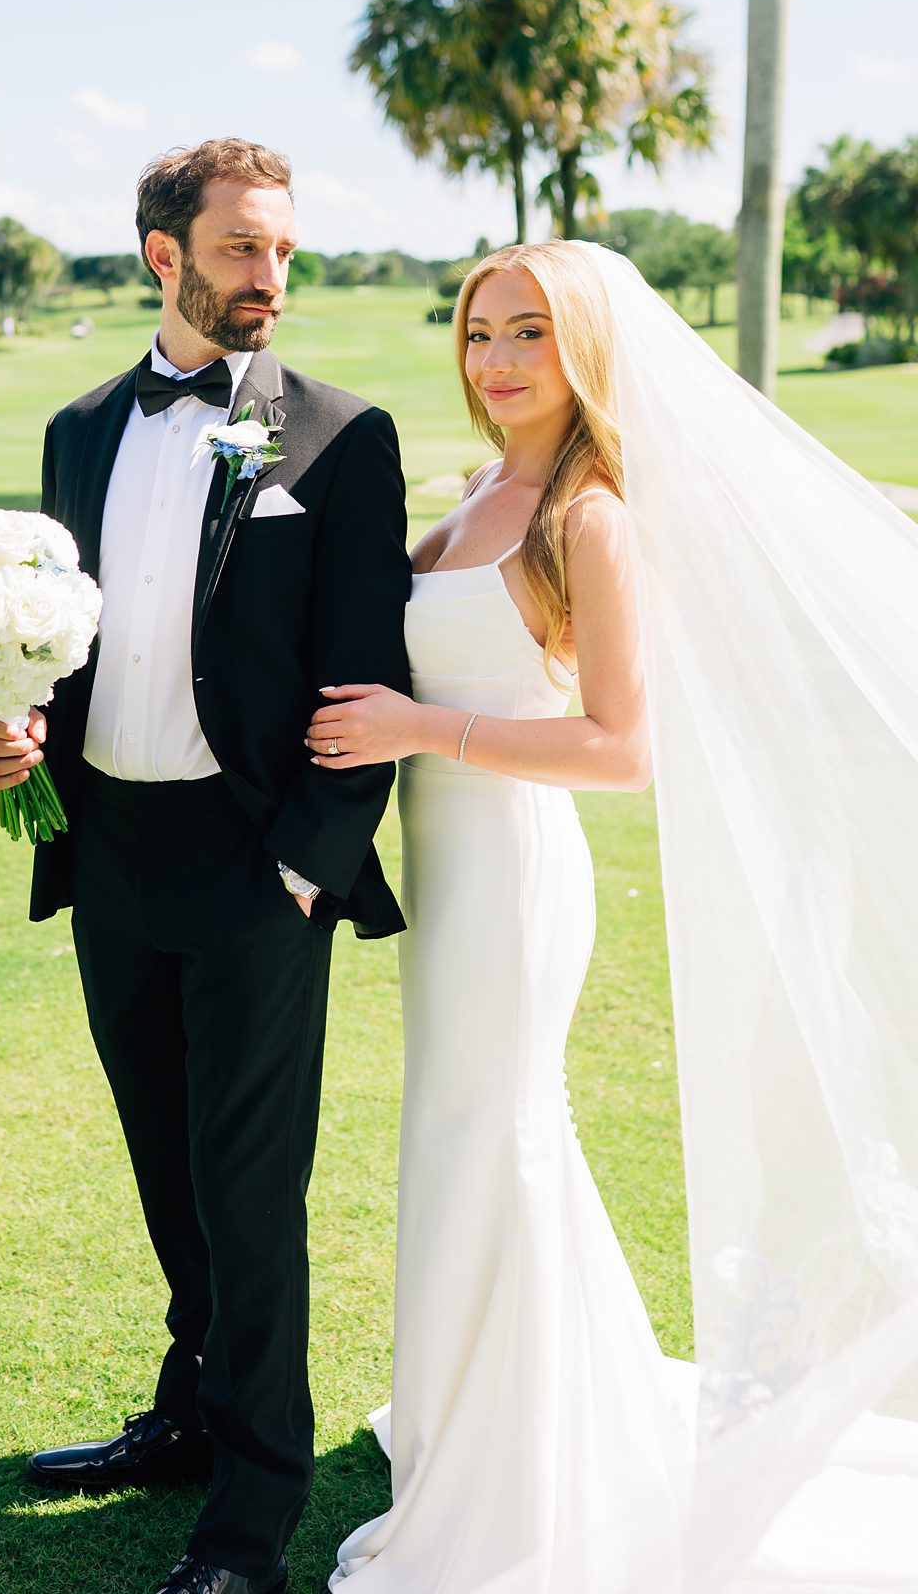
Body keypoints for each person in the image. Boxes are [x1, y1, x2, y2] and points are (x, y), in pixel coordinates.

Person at [308, 241, 918, 1592]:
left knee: (505, 1140)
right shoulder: (477, 490)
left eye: (529, 333)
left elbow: (619, 749)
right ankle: (487, 1429)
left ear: (584, 349)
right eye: (480, 333)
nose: (499, 359)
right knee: (463, 1143)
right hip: (450, 872)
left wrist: (422, 726)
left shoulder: (590, 516)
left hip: (515, 873)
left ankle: (524, 1479)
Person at [0, 138, 412, 1594]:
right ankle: (187, 1412)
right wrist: (14, 731)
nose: (268, 277)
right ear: (165, 255)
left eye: (282, 249)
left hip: (253, 869)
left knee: (249, 1189)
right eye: (240, 249)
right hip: (113, 852)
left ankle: (251, 1519)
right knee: (168, 1167)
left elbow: (366, 680)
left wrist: (304, 871)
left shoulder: (341, 439)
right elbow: (62, 644)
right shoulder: (80, 428)